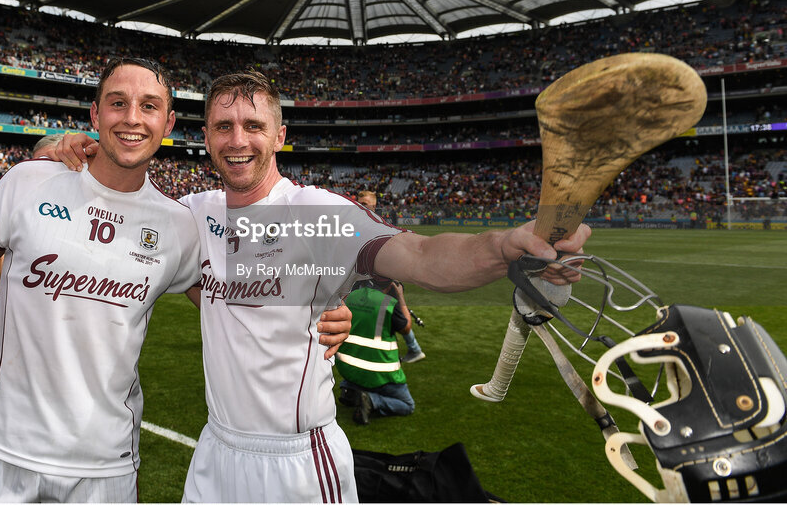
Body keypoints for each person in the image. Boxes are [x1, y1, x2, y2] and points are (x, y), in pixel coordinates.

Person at [52, 68, 588, 502]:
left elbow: (421, 255)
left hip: (298, 462)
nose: (238, 140)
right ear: (206, 137)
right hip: (215, 455)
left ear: (280, 135)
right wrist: (57, 151)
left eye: (254, 126)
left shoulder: (316, 213)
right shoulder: (193, 214)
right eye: (223, 126)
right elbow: (186, 271)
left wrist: (501, 248)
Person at [0, 58, 351, 502]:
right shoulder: (29, 181)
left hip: (106, 467)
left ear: (169, 122)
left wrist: (316, 312)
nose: (132, 118)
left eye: (149, 106)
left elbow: (232, 301)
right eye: (118, 103)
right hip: (2, 450)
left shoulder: (178, 226)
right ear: (94, 114)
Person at [356, 190, 424, 363]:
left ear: (374, 206)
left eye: (364, 204)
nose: (360, 207)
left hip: (383, 281)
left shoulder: (381, 227)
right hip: (366, 279)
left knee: (397, 320)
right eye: (358, 203)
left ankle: (413, 349)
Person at [338, 278, 416, 425]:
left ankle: (349, 390)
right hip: (380, 376)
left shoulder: (351, 296)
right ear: (391, 285)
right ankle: (372, 401)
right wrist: (400, 297)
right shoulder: (387, 303)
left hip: (347, 369)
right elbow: (406, 328)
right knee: (407, 405)